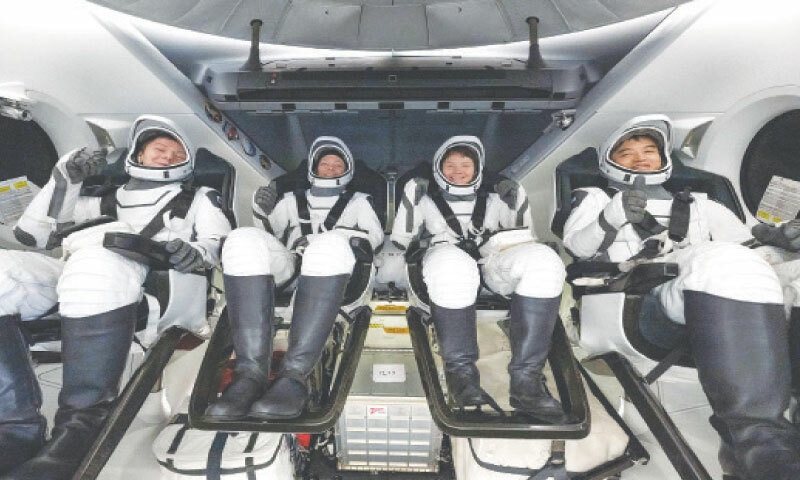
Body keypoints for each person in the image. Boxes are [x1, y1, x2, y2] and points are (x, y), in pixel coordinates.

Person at [562, 114, 800, 479]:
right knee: (721, 258)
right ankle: (753, 444)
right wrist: (613, 215)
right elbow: (577, 245)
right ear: (608, 162)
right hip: (639, 299)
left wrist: (779, 244)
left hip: (709, 290)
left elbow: (748, 254)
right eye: (627, 153)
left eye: (649, 150)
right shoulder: (595, 198)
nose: (641, 158)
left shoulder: (704, 206)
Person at [0, 116, 231, 479]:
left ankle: (78, 431)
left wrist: (195, 253)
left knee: (98, 257)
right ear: (138, 153)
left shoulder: (198, 199)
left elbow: (217, 244)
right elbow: (33, 235)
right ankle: (15, 429)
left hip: (154, 281)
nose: (168, 157)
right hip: (75, 273)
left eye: (176, 153)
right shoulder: (100, 196)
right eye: (160, 150)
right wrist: (66, 177)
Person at [205, 136, 383, 420]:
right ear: (314, 167)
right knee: (243, 238)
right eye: (326, 164)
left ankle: (294, 376)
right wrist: (259, 212)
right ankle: (250, 375)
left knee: (328, 245)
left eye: (338, 165)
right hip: (292, 263)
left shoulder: (360, 202)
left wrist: (337, 238)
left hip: (335, 265)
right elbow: (269, 234)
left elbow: (374, 238)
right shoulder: (289, 200)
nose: (331, 169)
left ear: (348, 170)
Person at [390, 136, 566, 419]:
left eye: (465, 165)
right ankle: (462, 377)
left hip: (491, 263)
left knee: (545, 260)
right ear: (438, 167)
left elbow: (524, 238)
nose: (457, 171)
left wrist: (517, 201)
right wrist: (411, 198)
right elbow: (401, 241)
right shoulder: (424, 199)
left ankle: (527, 383)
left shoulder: (497, 198)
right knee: (454, 264)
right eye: (450, 165)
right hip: (445, 259)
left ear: (477, 169)